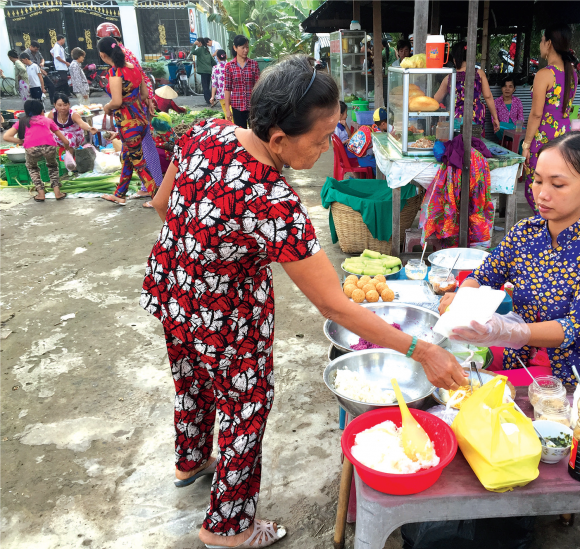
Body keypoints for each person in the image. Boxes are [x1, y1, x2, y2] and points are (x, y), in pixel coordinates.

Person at [141, 54, 466, 549]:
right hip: (228, 317)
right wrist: (422, 350)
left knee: (191, 381)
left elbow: (163, 204)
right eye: (320, 139)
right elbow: (335, 306)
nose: (327, 147)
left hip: (172, 287)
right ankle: (227, 528)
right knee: (246, 409)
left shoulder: (207, 132)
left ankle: (190, 461)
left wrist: (205, 247)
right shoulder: (273, 202)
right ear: (278, 140)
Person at [440, 132, 580, 401]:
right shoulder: (525, 233)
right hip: (520, 357)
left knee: (471, 396)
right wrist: (462, 301)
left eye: (558, 184)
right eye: (538, 180)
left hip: (577, 377)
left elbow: (576, 326)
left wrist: (509, 331)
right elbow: (484, 275)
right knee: (446, 370)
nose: (542, 194)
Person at [521, 23, 578, 214]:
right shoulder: (572, 73)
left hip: (544, 139)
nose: (540, 44)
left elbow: (536, 114)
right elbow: (569, 107)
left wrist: (526, 144)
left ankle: (545, 226)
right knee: (556, 185)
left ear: (549, 43)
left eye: (542, 40)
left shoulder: (545, 74)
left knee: (537, 188)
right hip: (564, 139)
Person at [96, 36, 155, 206]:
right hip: (140, 120)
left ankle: (158, 198)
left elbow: (116, 102)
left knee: (139, 162)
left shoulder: (115, 72)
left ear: (102, 55)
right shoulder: (134, 68)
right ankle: (120, 194)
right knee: (127, 157)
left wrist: (107, 107)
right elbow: (144, 94)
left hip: (128, 124)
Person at [3, 99, 71, 202]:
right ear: (41, 110)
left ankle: (41, 193)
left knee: (32, 168)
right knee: (52, 166)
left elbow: (6, 137)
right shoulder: (47, 120)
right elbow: (64, 139)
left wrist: (22, 141)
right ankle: (57, 192)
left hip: (32, 148)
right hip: (49, 146)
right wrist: (66, 146)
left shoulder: (22, 121)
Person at [433, 41, 499, 136]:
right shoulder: (479, 74)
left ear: (454, 59)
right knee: (474, 143)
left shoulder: (449, 78)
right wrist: (495, 117)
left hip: (456, 119)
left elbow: (435, 100)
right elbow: (488, 97)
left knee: (457, 142)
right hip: (476, 117)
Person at [225, 35, 260, 128]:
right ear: (235, 48)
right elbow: (227, 89)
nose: (246, 50)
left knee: (255, 131)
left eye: (247, 47)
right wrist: (227, 110)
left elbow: (258, 86)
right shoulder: (229, 66)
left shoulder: (253, 64)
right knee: (240, 132)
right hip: (237, 106)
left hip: (252, 106)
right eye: (243, 47)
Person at [491, 74, 524, 142]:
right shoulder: (496, 102)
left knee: (522, 132)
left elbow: (521, 117)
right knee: (500, 125)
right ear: (501, 88)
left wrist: (518, 128)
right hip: (502, 130)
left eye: (510, 86)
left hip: (516, 130)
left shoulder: (518, 101)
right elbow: (493, 119)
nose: (507, 89)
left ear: (514, 89)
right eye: (505, 86)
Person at [192, 37, 214, 105]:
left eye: (197, 42)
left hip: (203, 71)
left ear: (200, 42)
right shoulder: (206, 50)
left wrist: (194, 45)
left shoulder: (200, 49)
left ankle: (209, 100)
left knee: (205, 86)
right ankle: (212, 98)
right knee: (207, 85)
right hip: (209, 71)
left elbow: (193, 52)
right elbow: (213, 61)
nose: (197, 44)